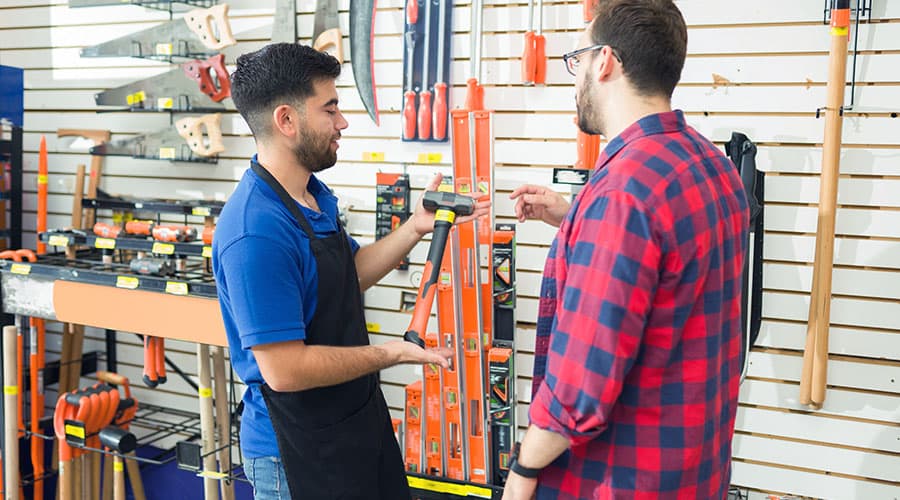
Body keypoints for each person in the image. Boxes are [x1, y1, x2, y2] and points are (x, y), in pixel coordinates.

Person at [212, 43, 488, 500]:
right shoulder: (256, 231)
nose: (342, 123)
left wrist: (416, 227)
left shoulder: (312, 196)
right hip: (294, 454)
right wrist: (390, 354)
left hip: (352, 422)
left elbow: (343, 278)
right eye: (331, 109)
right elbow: (284, 370)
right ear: (286, 120)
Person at [502, 1, 749, 499]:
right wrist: (577, 218)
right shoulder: (712, 165)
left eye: (577, 60)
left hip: (618, 480)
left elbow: (577, 392)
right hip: (693, 474)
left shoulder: (621, 194)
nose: (576, 81)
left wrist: (521, 475)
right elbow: (669, 275)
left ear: (606, 61)